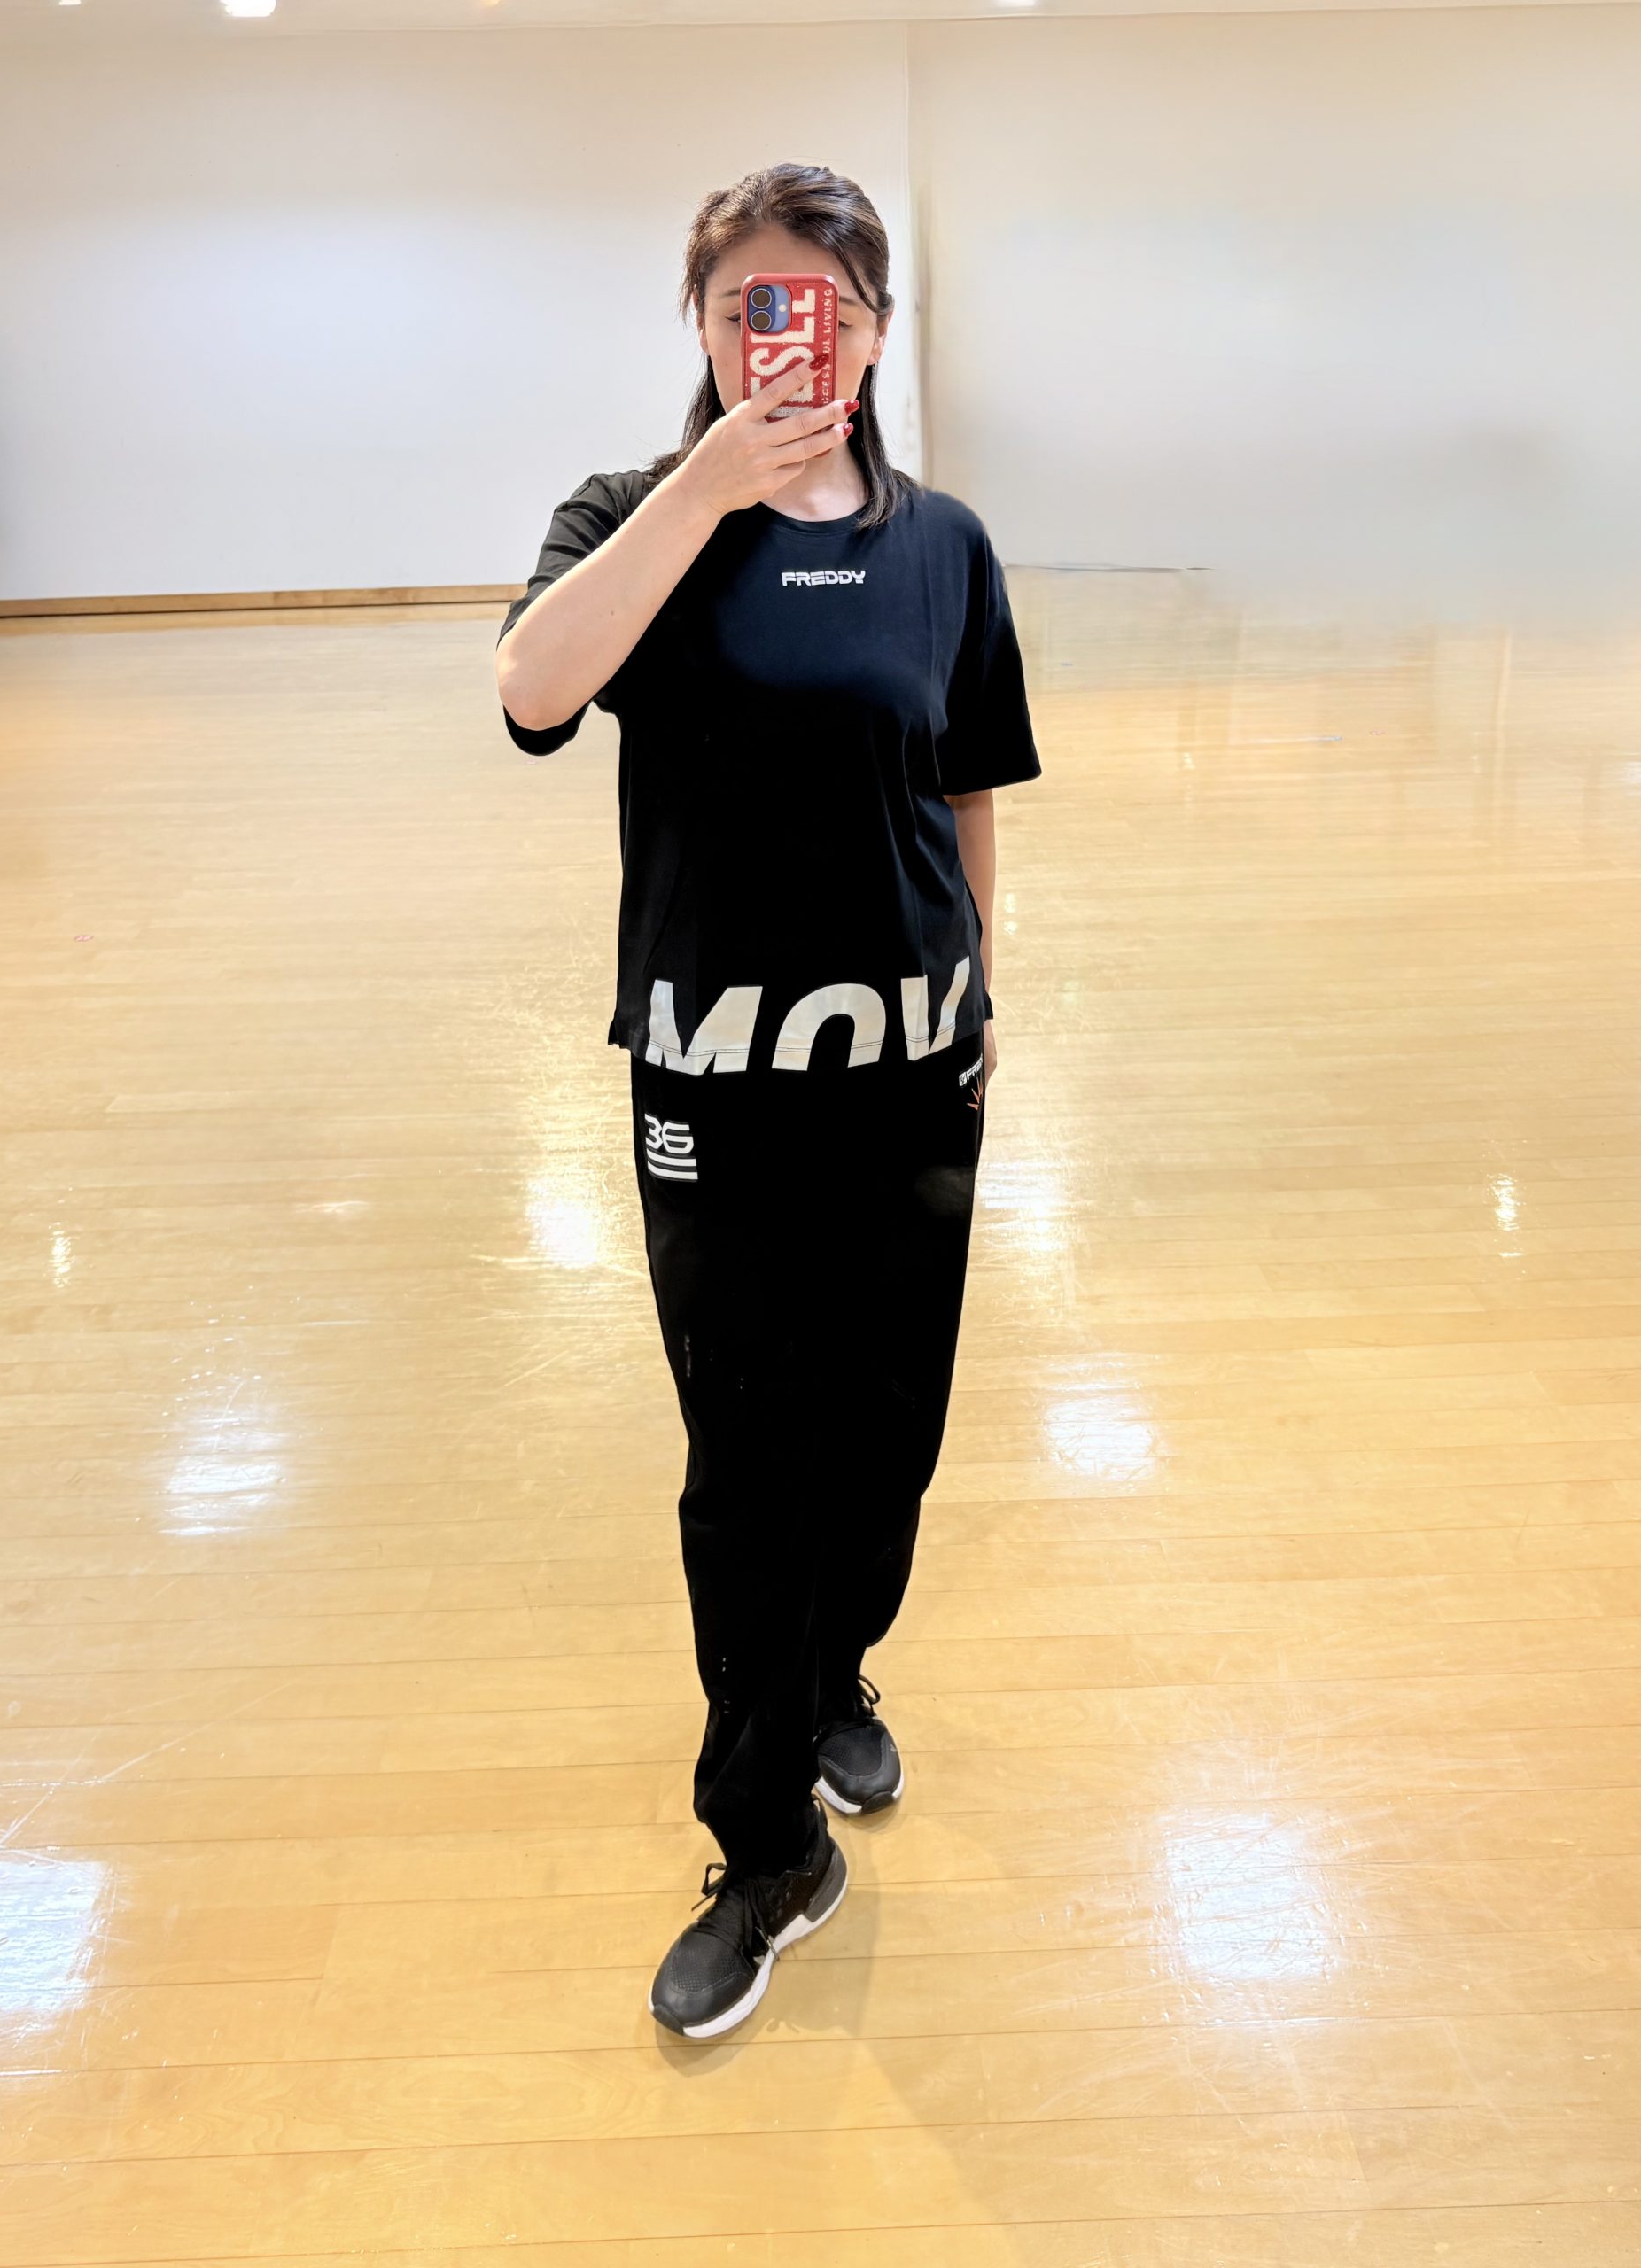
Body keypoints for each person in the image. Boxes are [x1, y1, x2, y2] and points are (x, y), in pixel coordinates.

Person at [494, 162, 1041, 2040]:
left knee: (887, 1428)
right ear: (706, 326)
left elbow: (965, 776)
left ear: (874, 334)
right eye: (748, 303)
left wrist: (982, 987)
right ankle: (763, 1847)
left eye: (819, 304)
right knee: (747, 1459)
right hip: (717, 1082)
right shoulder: (626, 517)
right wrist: (705, 488)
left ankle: (831, 1679)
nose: (782, 333)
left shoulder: (943, 544)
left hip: (912, 1066)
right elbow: (531, 691)